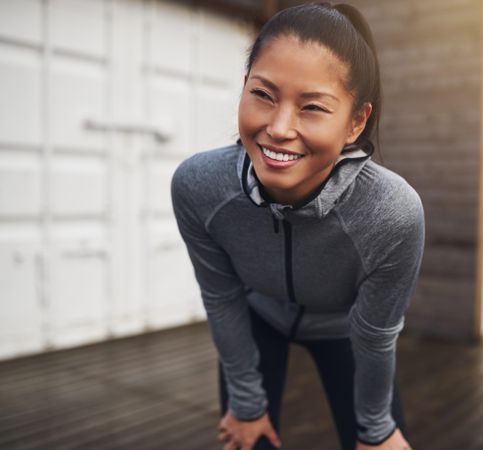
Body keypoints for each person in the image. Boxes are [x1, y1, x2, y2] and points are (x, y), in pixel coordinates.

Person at [170, 3, 425, 449]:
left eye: (312, 107)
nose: (279, 127)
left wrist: (376, 429)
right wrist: (246, 405)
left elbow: (375, 335)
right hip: (256, 318)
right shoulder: (199, 187)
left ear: (356, 122)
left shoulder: (391, 212)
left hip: (345, 331)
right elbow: (222, 296)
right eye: (263, 95)